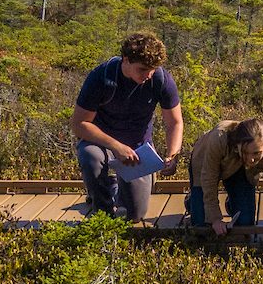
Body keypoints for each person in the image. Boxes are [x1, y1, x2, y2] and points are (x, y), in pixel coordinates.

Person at [71, 32, 183, 221]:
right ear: (126, 60)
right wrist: (116, 146)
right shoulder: (102, 76)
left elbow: (175, 122)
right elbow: (79, 124)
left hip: (139, 149)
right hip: (101, 142)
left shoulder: (161, 80)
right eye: (142, 69)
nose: (148, 75)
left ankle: (115, 188)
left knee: (135, 215)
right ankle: (101, 212)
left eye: (152, 70)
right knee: (91, 157)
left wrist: (172, 155)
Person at [188, 118, 263, 235]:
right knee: (201, 227)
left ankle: (232, 203)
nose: (251, 159)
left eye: (256, 153)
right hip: (204, 164)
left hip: (241, 169)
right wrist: (215, 219)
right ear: (238, 143)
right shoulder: (218, 138)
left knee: (245, 223)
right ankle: (191, 202)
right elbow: (208, 179)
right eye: (245, 152)